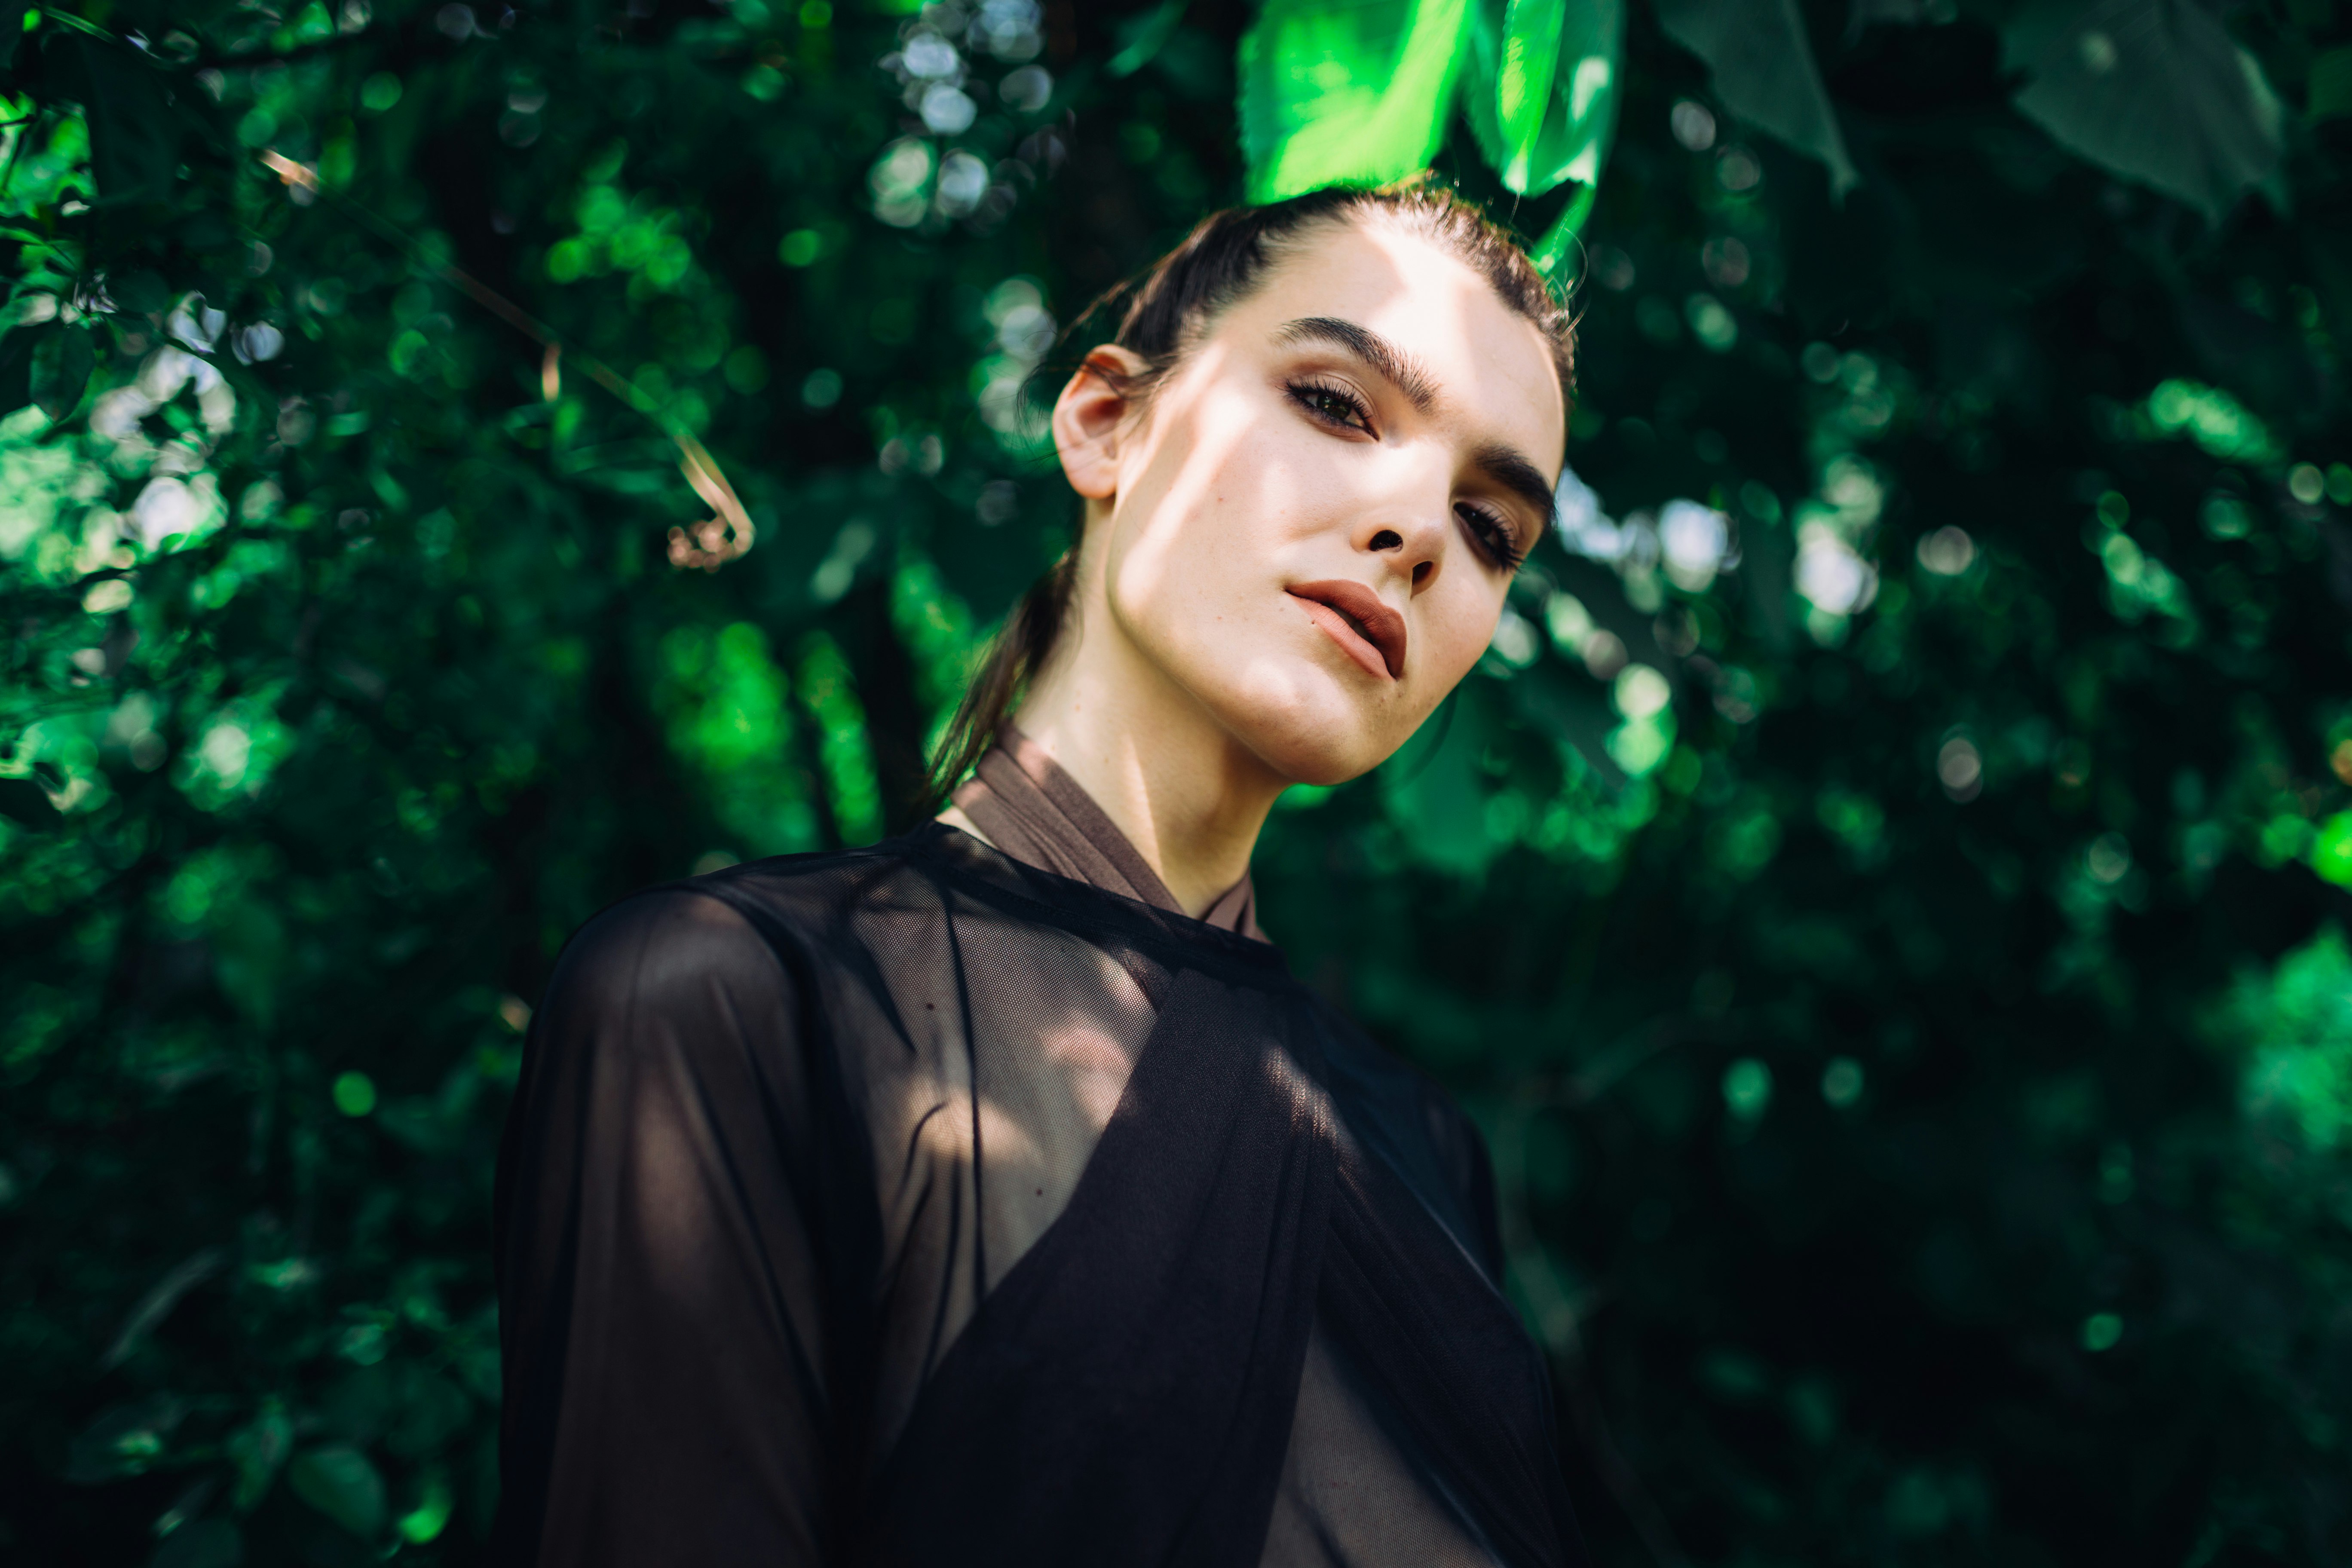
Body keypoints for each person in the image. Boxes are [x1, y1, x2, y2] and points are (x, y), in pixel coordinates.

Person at [493, 180, 1586, 1567]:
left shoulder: (1423, 1152)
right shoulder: (739, 1007)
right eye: (1335, 402)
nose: (1422, 529)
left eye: (1493, 527)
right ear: (1105, 422)